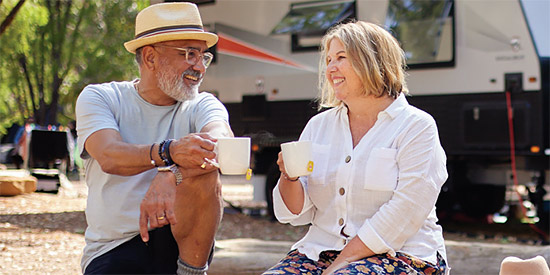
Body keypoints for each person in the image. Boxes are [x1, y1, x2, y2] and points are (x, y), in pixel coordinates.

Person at [264, 21, 449, 275]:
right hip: (321, 251)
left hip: (402, 254)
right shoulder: (319, 126)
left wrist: (341, 264)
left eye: (341, 57)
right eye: (328, 60)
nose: (330, 68)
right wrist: (289, 175)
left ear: (373, 61)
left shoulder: (417, 127)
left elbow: (405, 212)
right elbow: (295, 213)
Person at [75, 3, 232, 274]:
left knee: (208, 166)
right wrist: (169, 151)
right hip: (114, 248)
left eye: (204, 56)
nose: (201, 67)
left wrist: (171, 174)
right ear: (150, 58)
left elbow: (221, 144)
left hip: (183, 245)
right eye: (190, 54)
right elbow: (110, 155)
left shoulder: (202, 103)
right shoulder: (101, 98)